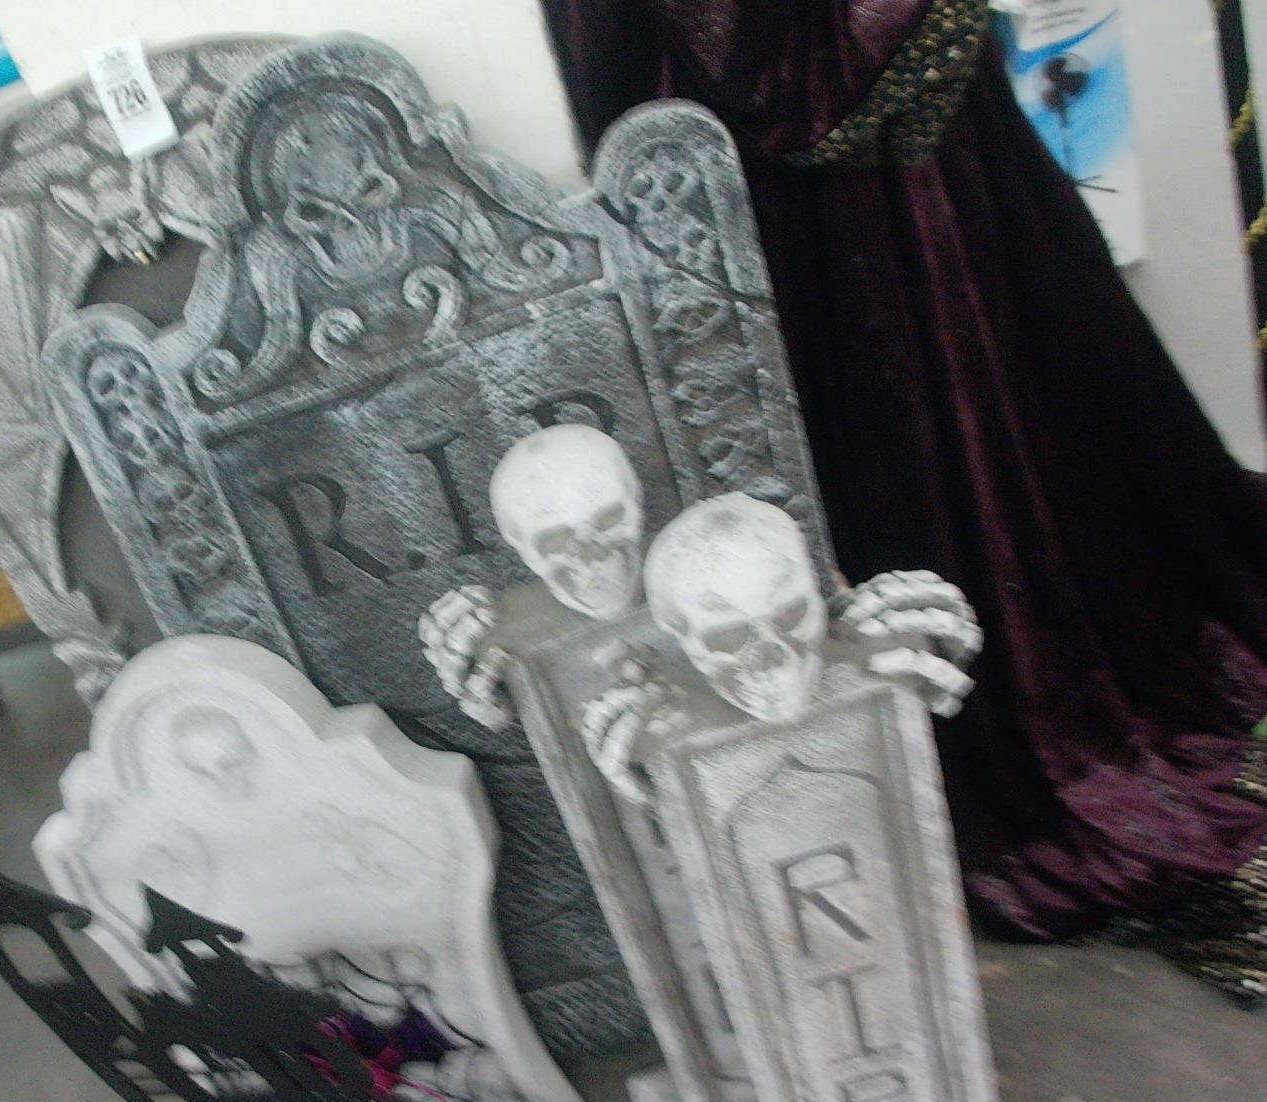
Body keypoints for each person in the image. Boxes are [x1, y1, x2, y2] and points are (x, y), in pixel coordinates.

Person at [542, 0, 1267, 999]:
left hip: (922, 182)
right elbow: (780, 75)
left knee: (1033, 434)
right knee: (928, 450)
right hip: (836, 211)